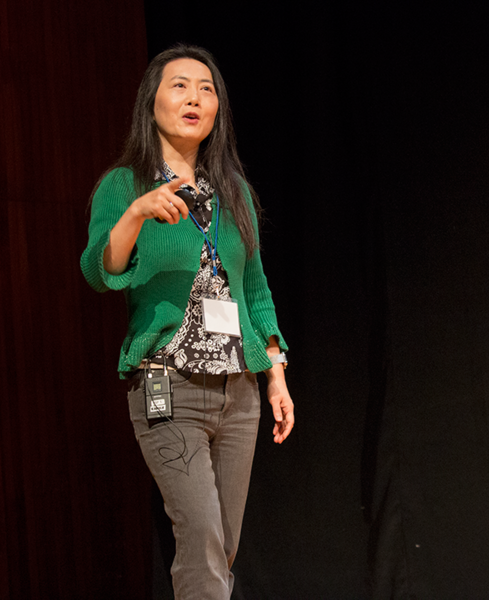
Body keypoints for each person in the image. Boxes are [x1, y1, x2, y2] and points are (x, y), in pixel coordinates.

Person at [80, 44, 294, 599]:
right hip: (166, 386)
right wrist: (136, 214)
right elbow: (101, 271)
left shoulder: (235, 192)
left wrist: (275, 373)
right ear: (150, 103)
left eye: (206, 88)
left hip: (239, 393)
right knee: (199, 537)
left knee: (221, 547)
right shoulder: (124, 185)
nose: (194, 96)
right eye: (179, 85)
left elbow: (255, 288)